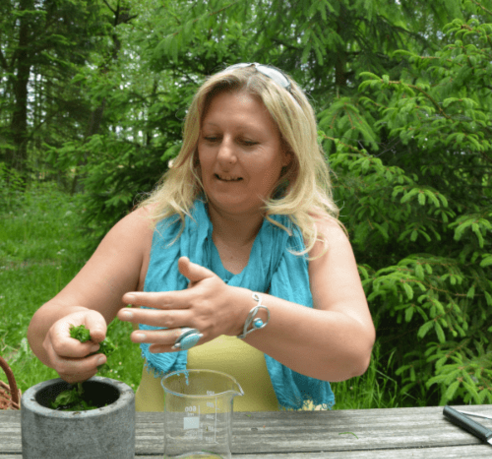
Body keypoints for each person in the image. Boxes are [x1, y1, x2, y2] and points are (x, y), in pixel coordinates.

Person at [28, 63, 375, 412]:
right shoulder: (151, 227)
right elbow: (46, 323)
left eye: (247, 141)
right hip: (162, 444)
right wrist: (63, 332)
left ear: (288, 152)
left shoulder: (317, 237)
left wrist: (243, 312)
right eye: (211, 138)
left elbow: (354, 353)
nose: (224, 155)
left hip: (287, 447)